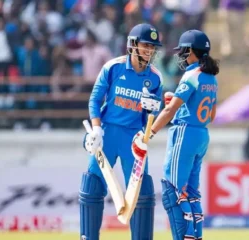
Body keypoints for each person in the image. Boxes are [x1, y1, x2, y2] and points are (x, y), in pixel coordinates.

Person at [131, 29, 219, 240]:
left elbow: (169, 110)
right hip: (201, 136)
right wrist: (181, 107)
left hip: (185, 134)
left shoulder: (192, 75)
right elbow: (211, 115)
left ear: (191, 51)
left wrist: (148, 133)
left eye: (183, 52)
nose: (181, 56)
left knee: (173, 192)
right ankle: (195, 237)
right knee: (191, 193)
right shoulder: (211, 78)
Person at [81, 23, 163, 240]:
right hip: (107, 133)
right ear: (133, 45)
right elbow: (95, 99)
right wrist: (96, 129)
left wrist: (147, 133)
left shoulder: (155, 77)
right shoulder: (113, 67)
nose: (149, 51)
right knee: (92, 185)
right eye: (145, 45)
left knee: (141, 192)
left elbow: (152, 116)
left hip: (133, 138)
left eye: (152, 47)